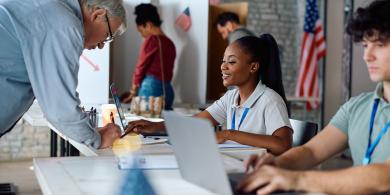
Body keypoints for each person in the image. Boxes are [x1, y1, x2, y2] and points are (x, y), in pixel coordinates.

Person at [237, 0, 390, 194]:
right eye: (366, 45)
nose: (367, 55)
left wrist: (295, 179)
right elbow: (312, 151)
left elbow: (385, 176)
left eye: (380, 44)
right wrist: (277, 163)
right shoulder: (357, 107)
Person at [125, 34, 293, 155]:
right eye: (223, 61)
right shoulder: (232, 97)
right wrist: (156, 126)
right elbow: (197, 121)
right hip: (234, 163)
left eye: (232, 62)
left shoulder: (270, 99)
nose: (223, 67)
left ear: (253, 67)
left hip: (256, 172)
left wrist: (229, 134)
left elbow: (283, 144)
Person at [0, 0, 127, 149]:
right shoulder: (62, 24)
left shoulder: (51, 8)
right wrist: (98, 139)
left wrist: (89, 132)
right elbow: (60, 109)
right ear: (98, 14)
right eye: (107, 35)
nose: (101, 45)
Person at [122, 3, 176, 110]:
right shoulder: (170, 43)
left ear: (148, 24)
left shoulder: (152, 40)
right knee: (161, 125)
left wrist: (133, 91)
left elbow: (140, 67)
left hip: (151, 90)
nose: (142, 35)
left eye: (141, 30)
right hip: (168, 91)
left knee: (144, 124)